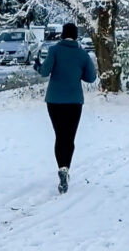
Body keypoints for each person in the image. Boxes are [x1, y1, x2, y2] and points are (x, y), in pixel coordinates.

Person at [34, 23, 97, 194]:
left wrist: (38, 66)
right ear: (76, 36)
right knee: (69, 137)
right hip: (74, 101)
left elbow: (45, 72)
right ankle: (65, 168)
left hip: (54, 101)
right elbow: (91, 78)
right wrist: (77, 72)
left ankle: (61, 167)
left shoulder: (54, 51)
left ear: (62, 35)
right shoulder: (83, 55)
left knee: (59, 135)